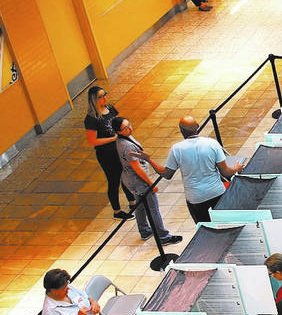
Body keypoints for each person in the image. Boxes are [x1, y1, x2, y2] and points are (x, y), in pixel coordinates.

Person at [162, 116, 244, 223]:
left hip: (196, 198)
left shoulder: (176, 149)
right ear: (197, 126)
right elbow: (225, 172)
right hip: (217, 193)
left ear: (181, 130)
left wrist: (149, 160)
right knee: (225, 223)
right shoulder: (212, 143)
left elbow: (167, 174)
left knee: (205, 227)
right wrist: (236, 168)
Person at [115, 117, 182, 245]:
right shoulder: (127, 146)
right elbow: (137, 169)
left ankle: (144, 230)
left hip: (130, 179)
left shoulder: (122, 139)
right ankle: (163, 237)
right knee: (153, 208)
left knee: (140, 206)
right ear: (118, 131)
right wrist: (151, 185)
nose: (130, 128)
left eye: (129, 124)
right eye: (125, 128)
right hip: (138, 181)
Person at [84, 86, 131, 220]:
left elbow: (117, 123)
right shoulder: (91, 119)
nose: (105, 98)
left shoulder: (110, 108)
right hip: (106, 154)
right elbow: (93, 141)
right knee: (114, 180)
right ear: (94, 99)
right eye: (101, 96)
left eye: (105, 94)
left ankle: (132, 201)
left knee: (125, 175)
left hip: (118, 149)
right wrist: (113, 138)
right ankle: (117, 211)